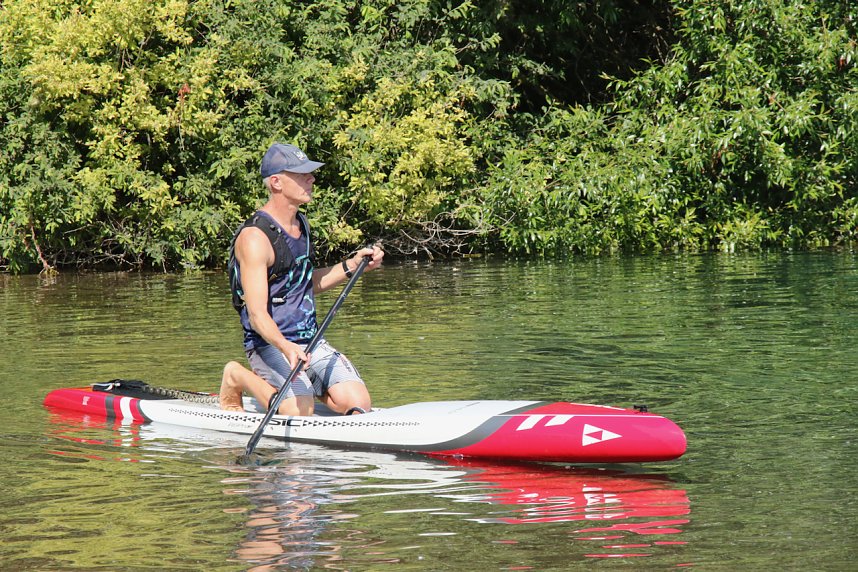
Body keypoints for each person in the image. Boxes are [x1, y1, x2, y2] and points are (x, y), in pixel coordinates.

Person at [220, 142, 383, 417]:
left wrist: (352, 265)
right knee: (300, 411)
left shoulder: (302, 225)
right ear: (276, 182)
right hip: (269, 344)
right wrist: (286, 347)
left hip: (311, 340)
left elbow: (305, 284)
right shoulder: (255, 239)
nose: (312, 179)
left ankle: (302, 386)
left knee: (358, 404)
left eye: (310, 173)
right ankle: (236, 375)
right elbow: (257, 315)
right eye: (302, 174)